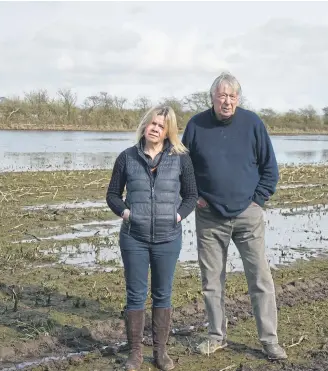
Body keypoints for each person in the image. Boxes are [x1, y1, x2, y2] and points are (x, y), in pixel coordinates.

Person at [181, 72, 287, 360]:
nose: (226, 101)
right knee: (211, 281)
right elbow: (183, 168)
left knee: (260, 278)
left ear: (238, 99)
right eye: (221, 95)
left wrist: (257, 201)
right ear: (212, 98)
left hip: (247, 215)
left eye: (232, 96)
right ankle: (216, 336)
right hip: (209, 217)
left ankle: (269, 340)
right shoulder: (195, 125)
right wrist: (195, 197)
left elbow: (270, 168)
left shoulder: (253, 123)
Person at [107, 105, 198, 371]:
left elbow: (191, 195)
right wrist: (126, 213)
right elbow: (112, 194)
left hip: (168, 238)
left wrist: (177, 216)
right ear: (145, 126)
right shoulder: (127, 157)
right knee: (135, 295)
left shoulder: (181, 158)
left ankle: (160, 353)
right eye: (152, 123)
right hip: (133, 237)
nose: (155, 128)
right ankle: (135, 353)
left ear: (169, 130)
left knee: (162, 294)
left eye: (161, 125)